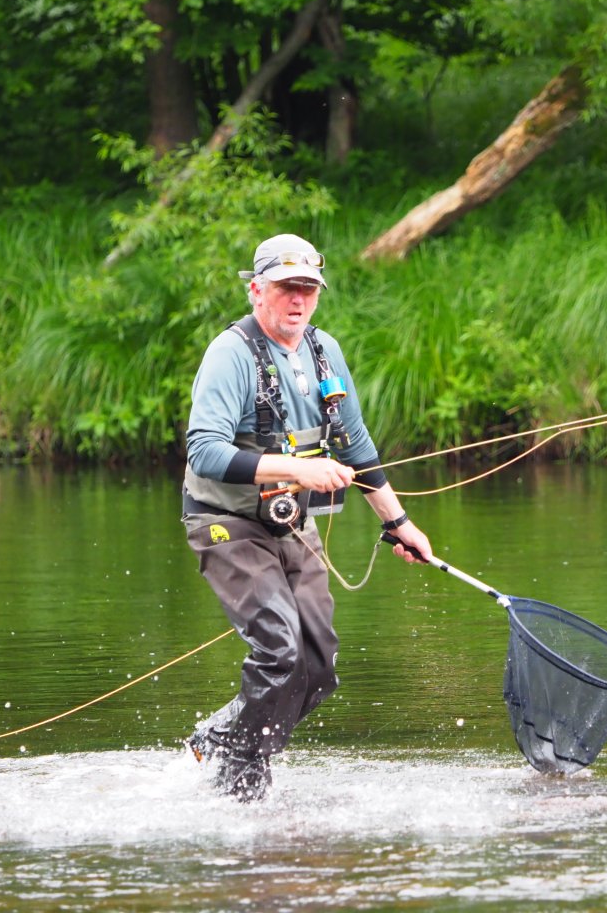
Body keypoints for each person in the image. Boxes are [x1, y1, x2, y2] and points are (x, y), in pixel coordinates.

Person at [181, 232, 432, 801]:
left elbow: (357, 444)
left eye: (309, 290)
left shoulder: (325, 351)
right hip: (226, 524)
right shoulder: (230, 353)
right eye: (286, 288)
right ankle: (242, 792)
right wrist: (296, 467)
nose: (298, 300)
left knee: (317, 666)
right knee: (279, 651)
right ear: (256, 290)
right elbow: (205, 451)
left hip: (293, 525)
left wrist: (398, 523)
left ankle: (219, 738)